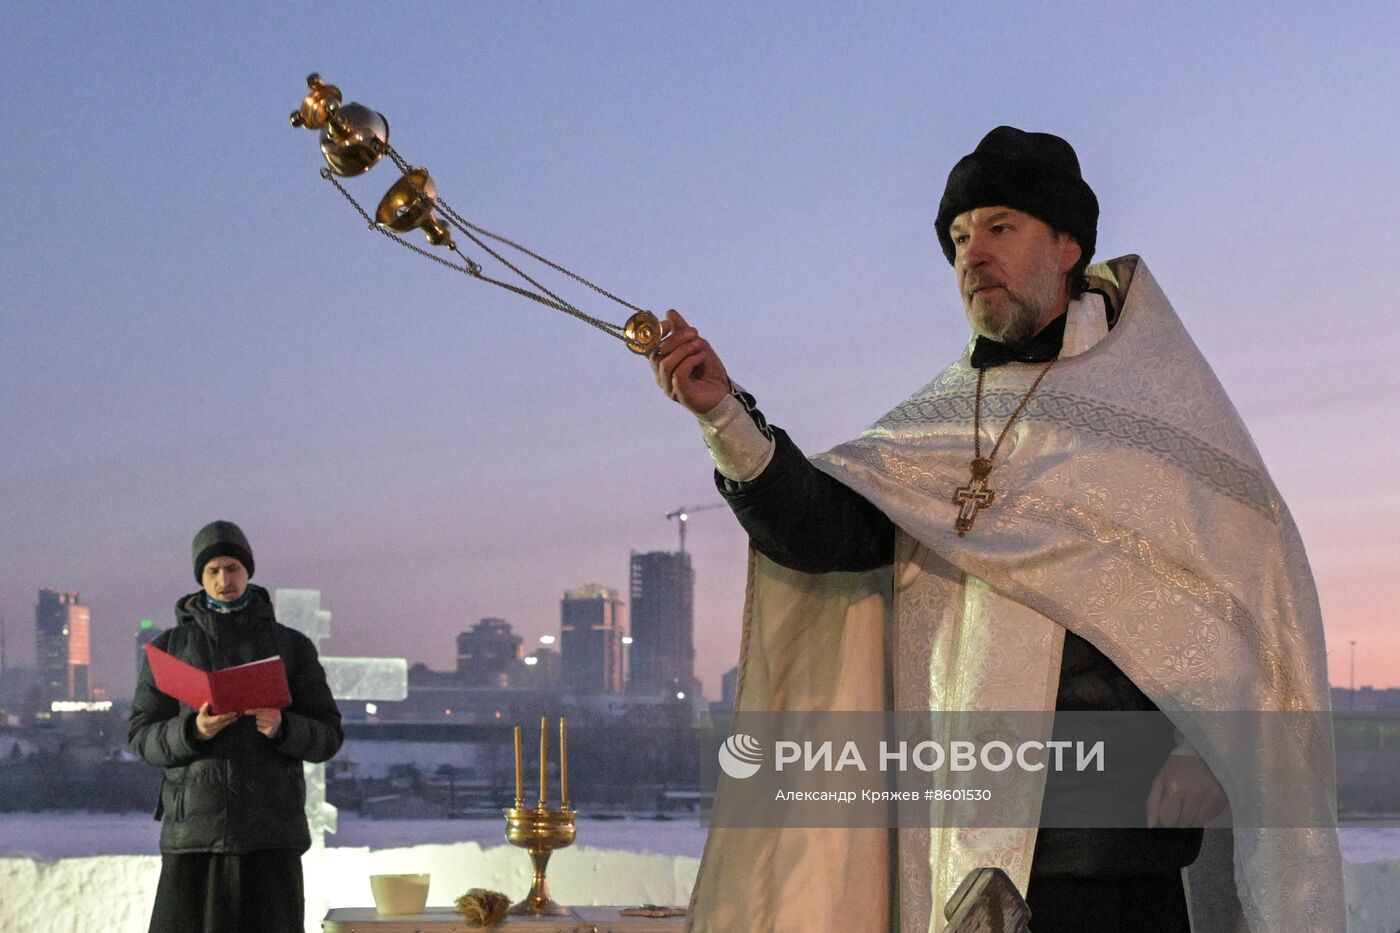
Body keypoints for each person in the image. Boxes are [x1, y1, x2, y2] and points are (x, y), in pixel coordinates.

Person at [651, 128, 1341, 932]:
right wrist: (724, 417)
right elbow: (824, 532)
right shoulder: (941, 423)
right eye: (957, 238)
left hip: (1120, 855)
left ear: (1067, 245)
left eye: (999, 228)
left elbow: (1247, 606)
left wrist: (1204, 747)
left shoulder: (1161, 415)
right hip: (973, 851)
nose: (971, 254)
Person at [128, 520, 343, 933]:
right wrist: (192, 731)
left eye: (232, 568)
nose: (224, 579)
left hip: (270, 835)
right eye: (213, 570)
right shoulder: (169, 649)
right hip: (194, 837)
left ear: (248, 572)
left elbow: (328, 734)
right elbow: (140, 737)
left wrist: (283, 727)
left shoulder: (291, 646)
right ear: (200, 578)